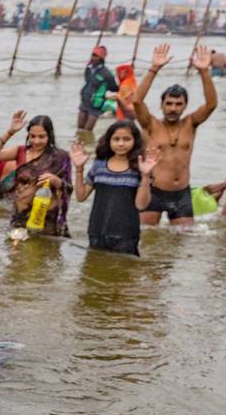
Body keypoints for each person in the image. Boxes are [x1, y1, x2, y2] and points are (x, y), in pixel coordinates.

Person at [132, 44, 218, 227]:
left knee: (183, 242)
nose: (173, 108)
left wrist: (204, 72)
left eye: (178, 104)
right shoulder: (150, 124)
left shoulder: (191, 123)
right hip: (153, 191)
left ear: (185, 105)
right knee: (147, 239)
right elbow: (137, 101)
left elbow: (211, 105)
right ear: (162, 104)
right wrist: (154, 68)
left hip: (181, 193)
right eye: (169, 103)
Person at [70, 121, 158, 256]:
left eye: (127, 139)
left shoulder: (140, 169)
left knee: (123, 274)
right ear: (109, 141)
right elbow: (81, 197)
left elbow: (141, 205)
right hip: (96, 231)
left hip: (125, 235)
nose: (121, 144)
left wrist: (146, 176)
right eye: (116, 139)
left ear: (135, 141)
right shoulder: (99, 166)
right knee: (93, 271)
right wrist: (79, 169)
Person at [0, 111, 73, 237]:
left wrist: (55, 181)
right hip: (20, 215)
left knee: (43, 253)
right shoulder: (20, 151)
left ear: (50, 135)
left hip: (45, 218)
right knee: (15, 253)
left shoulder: (60, 157)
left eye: (41, 137)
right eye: (32, 136)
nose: (36, 141)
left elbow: (69, 187)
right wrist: (10, 132)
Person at [76, 45, 119, 132]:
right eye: (92, 55)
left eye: (96, 56)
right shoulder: (88, 69)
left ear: (101, 58)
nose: (93, 57)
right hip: (85, 100)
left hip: (96, 103)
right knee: (80, 128)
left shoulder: (107, 74)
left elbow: (114, 88)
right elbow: (87, 81)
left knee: (88, 130)